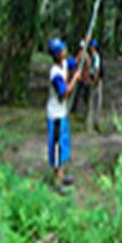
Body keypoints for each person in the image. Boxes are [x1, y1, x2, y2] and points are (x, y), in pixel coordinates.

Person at [46, 37, 85, 194]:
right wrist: (75, 79)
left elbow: (76, 62)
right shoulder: (55, 74)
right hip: (55, 115)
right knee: (56, 148)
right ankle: (57, 181)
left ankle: (62, 175)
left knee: (63, 145)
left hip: (62, 114)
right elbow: (64, 93)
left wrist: (83, 45)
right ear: (57, 55)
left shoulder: (63, 64)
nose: (65, 51)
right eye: (62, 50)